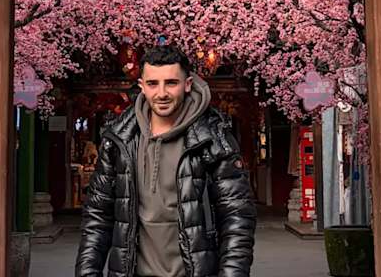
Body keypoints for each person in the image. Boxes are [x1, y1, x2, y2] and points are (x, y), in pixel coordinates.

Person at [76, 44, 256, 277]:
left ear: (187, 84)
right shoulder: (119, 139)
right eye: (153, 83)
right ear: (142, 86)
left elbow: (237, 220)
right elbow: (97, 217)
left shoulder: (213, 139)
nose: (161, 93)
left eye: (171, 83)